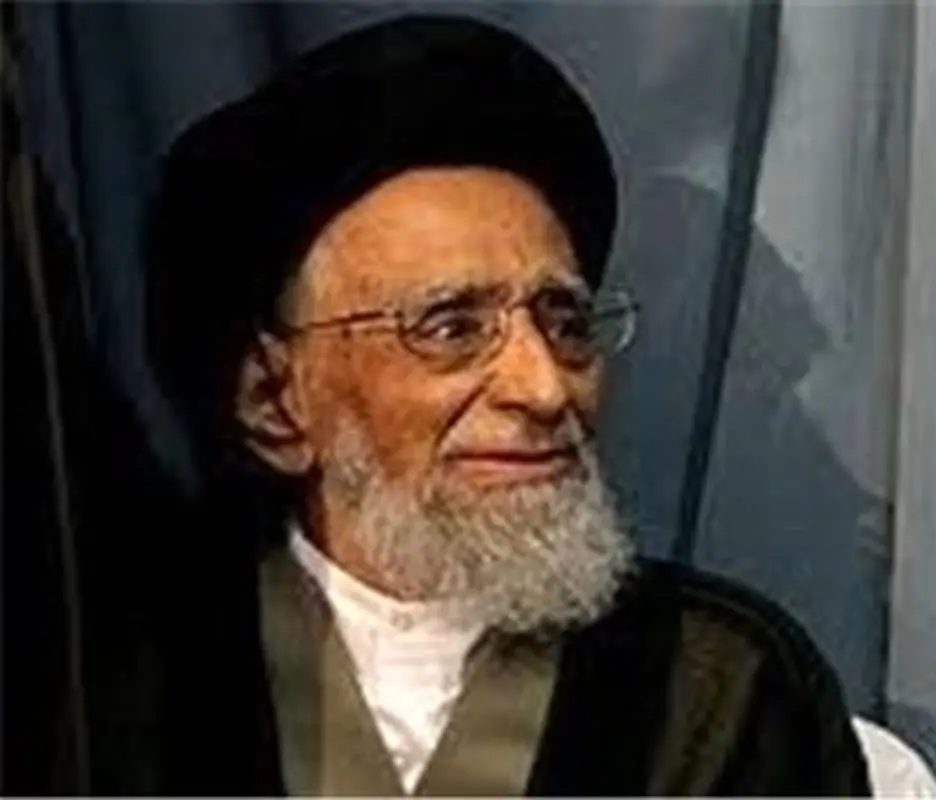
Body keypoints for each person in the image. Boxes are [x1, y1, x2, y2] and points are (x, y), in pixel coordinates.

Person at [143, 13, 870, 796]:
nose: (546, 387)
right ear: (274, 402)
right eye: (451, 328)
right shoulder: (126, 685)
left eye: (566, 323)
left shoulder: (722, 688)